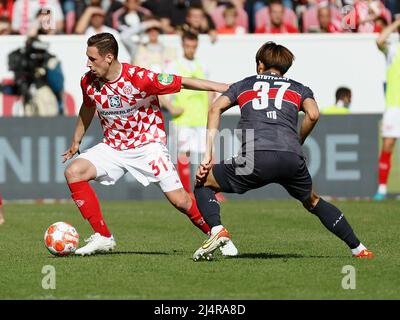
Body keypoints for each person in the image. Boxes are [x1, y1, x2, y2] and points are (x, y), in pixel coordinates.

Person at [192, 41, 374, 261]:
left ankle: (217, 229)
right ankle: (359, 248)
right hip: (291, 158)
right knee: (313, 201)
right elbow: (314, 114)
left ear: (260, 64)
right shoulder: (299, 88)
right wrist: (297, 141)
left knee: (203, 183)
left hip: (255, 157)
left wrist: (208, 154)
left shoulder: (245, 84)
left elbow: (214, 108)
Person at [62, 32, 237, 256]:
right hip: (114, 147)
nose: (88, 64)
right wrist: (76, 141)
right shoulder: (88, 81)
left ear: (108, 57)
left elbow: (183, 82)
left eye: (92, 58)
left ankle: (219, 235)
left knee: (181, 201)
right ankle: (103, 237)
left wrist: (224, 88)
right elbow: (87, 107)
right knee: (73, 172)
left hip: (147, 146)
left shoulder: (139, 77)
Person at [373, 18, 400, 200]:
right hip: (394, 106)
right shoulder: (393, 48)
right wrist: (397, 22)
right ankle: (382, 189)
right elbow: (379, 40)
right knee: (388, 145)